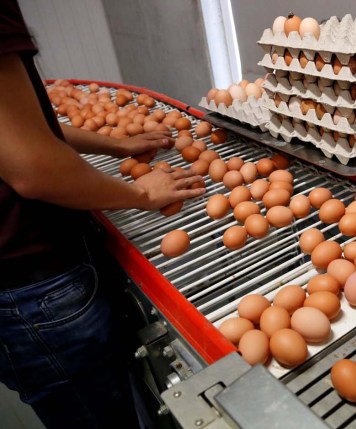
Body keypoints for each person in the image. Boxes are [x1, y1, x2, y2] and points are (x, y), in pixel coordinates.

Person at [0, 1, 205, 427]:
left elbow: (26, 128)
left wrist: (114, 145)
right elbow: (31, 166)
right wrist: (138, 194)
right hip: (32, 286)